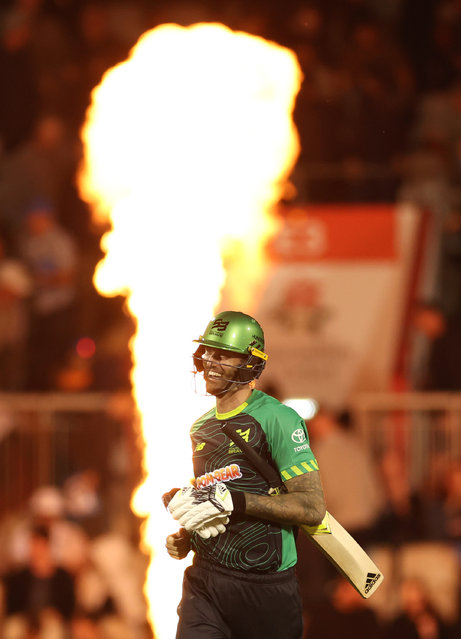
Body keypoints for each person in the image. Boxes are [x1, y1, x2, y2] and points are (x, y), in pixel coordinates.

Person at [164, 310, 326, 639]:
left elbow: (312, 508)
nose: (208, 360)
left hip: (267, 590)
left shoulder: (278, 419)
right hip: (206, 582)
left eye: (221, 354)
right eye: (206, 351)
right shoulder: (200, 429)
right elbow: (217, 503)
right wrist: (190, 536)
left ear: (249, 363)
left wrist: (236, 501)